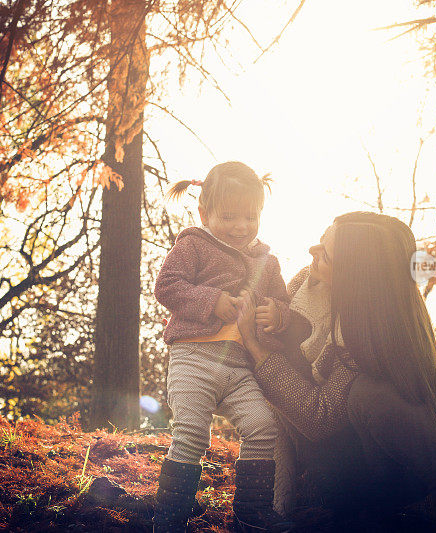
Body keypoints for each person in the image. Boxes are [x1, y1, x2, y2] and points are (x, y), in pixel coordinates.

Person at [236, 212, 436, 531]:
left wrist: (256, 347)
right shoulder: (306, 286)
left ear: (355, 275)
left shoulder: (371, 336)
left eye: (326, 254)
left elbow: (318, 418)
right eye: (321, 242)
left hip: (376, 474)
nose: (312, 252)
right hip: (326, 470)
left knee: (373, 394)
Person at [152, 161, 294, 532]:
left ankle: (252, 511)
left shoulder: (268, 261)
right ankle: (169, 517)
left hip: (240, 367)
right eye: (229, 216)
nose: (241, 227)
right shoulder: (194, 244)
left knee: (263, 425)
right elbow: (167, 286)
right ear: (204, 213)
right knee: (193, 433)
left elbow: (284, 305)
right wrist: (212, 300)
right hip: (194, 358)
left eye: (250, 216)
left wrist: (275, 315)